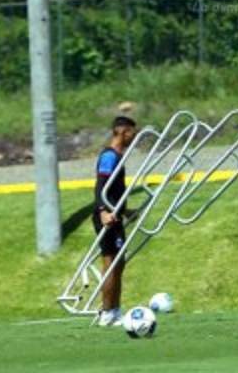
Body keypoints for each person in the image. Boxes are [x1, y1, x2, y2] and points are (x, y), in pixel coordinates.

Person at [92, 115, 137, 327]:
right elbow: (101, 187)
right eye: (131, 133)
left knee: (119, 264)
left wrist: (126, 211)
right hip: (106, 216)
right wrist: (103, 210)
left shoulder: (119, 156)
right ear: (122, 131)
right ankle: (107, 312)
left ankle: (115, 309)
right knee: (110, 263)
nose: (132, 137)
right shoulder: (109, 156)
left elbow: (116, 191)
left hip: (115, 215)